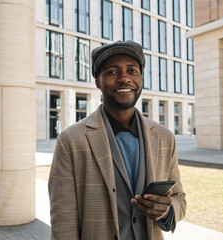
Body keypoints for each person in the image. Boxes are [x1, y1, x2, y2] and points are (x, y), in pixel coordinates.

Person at [48, 40, 186, 240]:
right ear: (98, 82)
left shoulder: (164, 137)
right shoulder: (70, 140)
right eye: (112, 72)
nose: (124, 79)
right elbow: (63, 222)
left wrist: (165, 210)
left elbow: (179, 199)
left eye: (132, 71)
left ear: (141, 78)